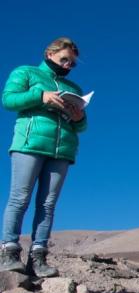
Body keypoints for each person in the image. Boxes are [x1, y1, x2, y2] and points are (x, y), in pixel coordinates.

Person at [0, 37, 88, 277]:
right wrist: (41, 96)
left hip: (62, 150)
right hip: (29, 144)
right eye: (65, 59)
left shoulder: (74, 89)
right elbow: (8, 99)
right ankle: (9, 252)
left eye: (73, 63)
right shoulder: (26, 73)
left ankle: (38, 258)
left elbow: (81, 126)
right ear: (50, 54)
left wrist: (79, 118)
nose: (68, 65)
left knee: (47, 205)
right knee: (20, 198)